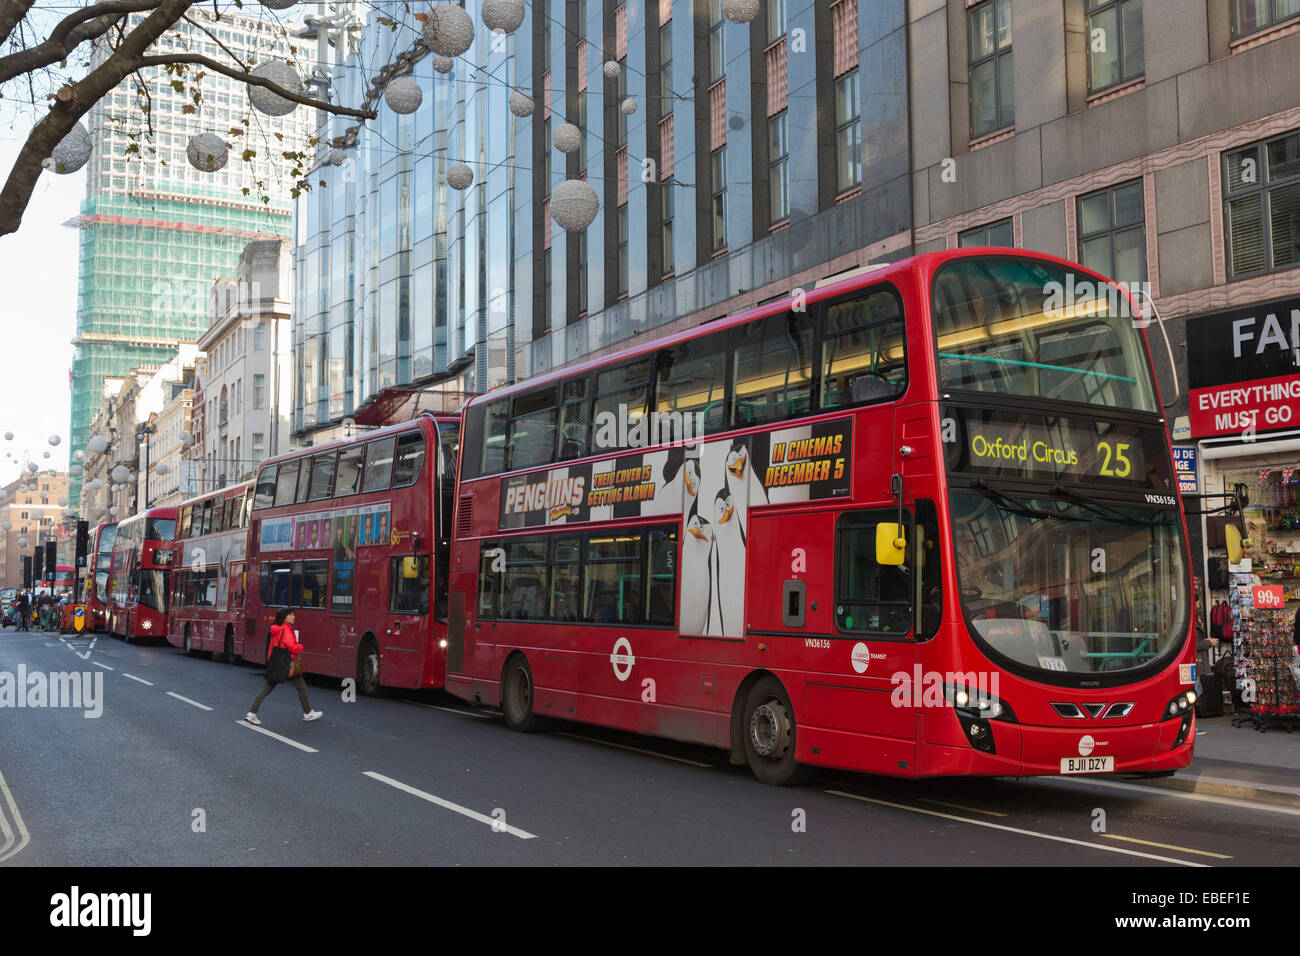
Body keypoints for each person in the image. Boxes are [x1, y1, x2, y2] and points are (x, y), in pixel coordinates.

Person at [245, 608, 322, 724]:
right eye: (290, 615)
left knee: (267, 688)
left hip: (276, 663)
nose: (293, 617)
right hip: (286, 664)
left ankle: (252, 713)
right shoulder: (287, 629)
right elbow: (292, 647)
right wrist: (300, 646)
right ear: (285, 617)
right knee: (301, 686)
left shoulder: (276, 628)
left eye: (293, 615)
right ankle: (308, 713)